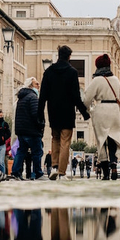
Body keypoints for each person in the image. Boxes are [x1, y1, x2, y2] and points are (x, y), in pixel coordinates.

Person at [38, 45, 90, 180]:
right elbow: (76, 95)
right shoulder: (72, 72)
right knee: (65, 141)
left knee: (55, 138)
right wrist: (84, 112)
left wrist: (40, 114)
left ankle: (54, 166)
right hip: (67, 111)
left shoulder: (49, 71)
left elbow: (42, 95)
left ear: (58, 55)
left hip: (53, 111)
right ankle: (61, 171)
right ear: (69, 57)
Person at [82, 54, 120, 180]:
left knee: (102, 141)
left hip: (101, 110)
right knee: (113, 139)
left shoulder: (97, 80)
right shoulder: (116, 80)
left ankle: (105, 172)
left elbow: (86, 99)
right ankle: (114, 164)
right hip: (115, 111)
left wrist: (90, 110)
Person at [12, 76, 46, 181]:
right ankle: (38, 173)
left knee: (21, 151)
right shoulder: (33, 97)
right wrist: (41, 127)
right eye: (36, 84)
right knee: (37, 152)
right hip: (32, 130)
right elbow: (36, 114)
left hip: (22, 130)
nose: (39, 86)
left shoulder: (21, 98)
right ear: (31, 86)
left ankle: (16, 172)